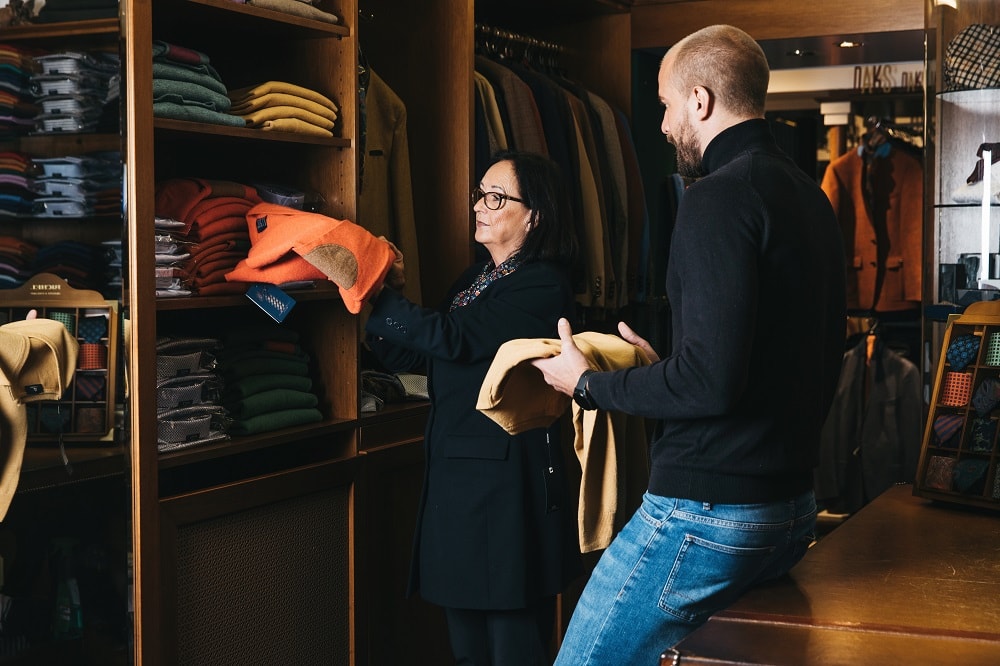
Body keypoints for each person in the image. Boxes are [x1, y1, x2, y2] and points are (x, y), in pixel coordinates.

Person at [530, 24, 847, 665]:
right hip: (788, 510)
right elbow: (784, 358)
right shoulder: (808, 198)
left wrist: (586, 384)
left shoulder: (716, 199)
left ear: (700, 101)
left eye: (667, 106)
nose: (665, 123)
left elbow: (710, 382)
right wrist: (662, 368)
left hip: (707, 515)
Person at [364, 150, 581, 666]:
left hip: (504, 485)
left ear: (535, 215)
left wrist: (372, 285)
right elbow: (414, 350)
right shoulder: (476, 277)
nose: (480, 206)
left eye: (497, 197)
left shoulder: (543, 284)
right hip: (458, 475)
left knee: (511, 643)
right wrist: (382, 295)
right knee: (466, 646)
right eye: (481, 194)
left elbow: (457, 338)